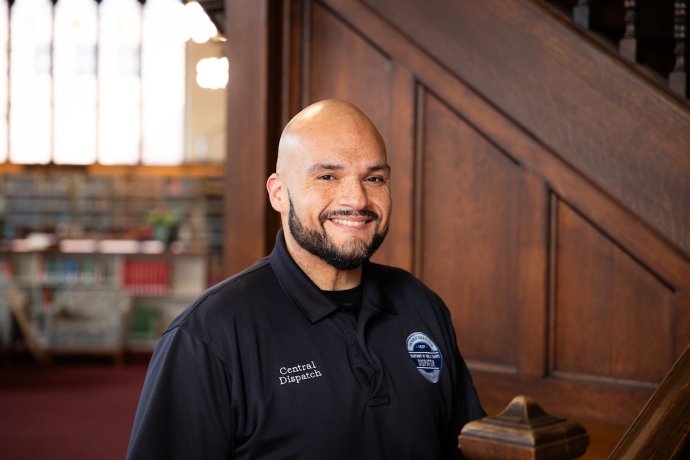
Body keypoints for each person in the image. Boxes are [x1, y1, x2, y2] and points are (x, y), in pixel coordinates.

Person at [126, 99, 484, 459]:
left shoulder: (421, 304)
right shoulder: (207, 335)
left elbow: (467, 450)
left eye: (374, 178)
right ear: (279, 193)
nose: (356, 199)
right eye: (328, 176)